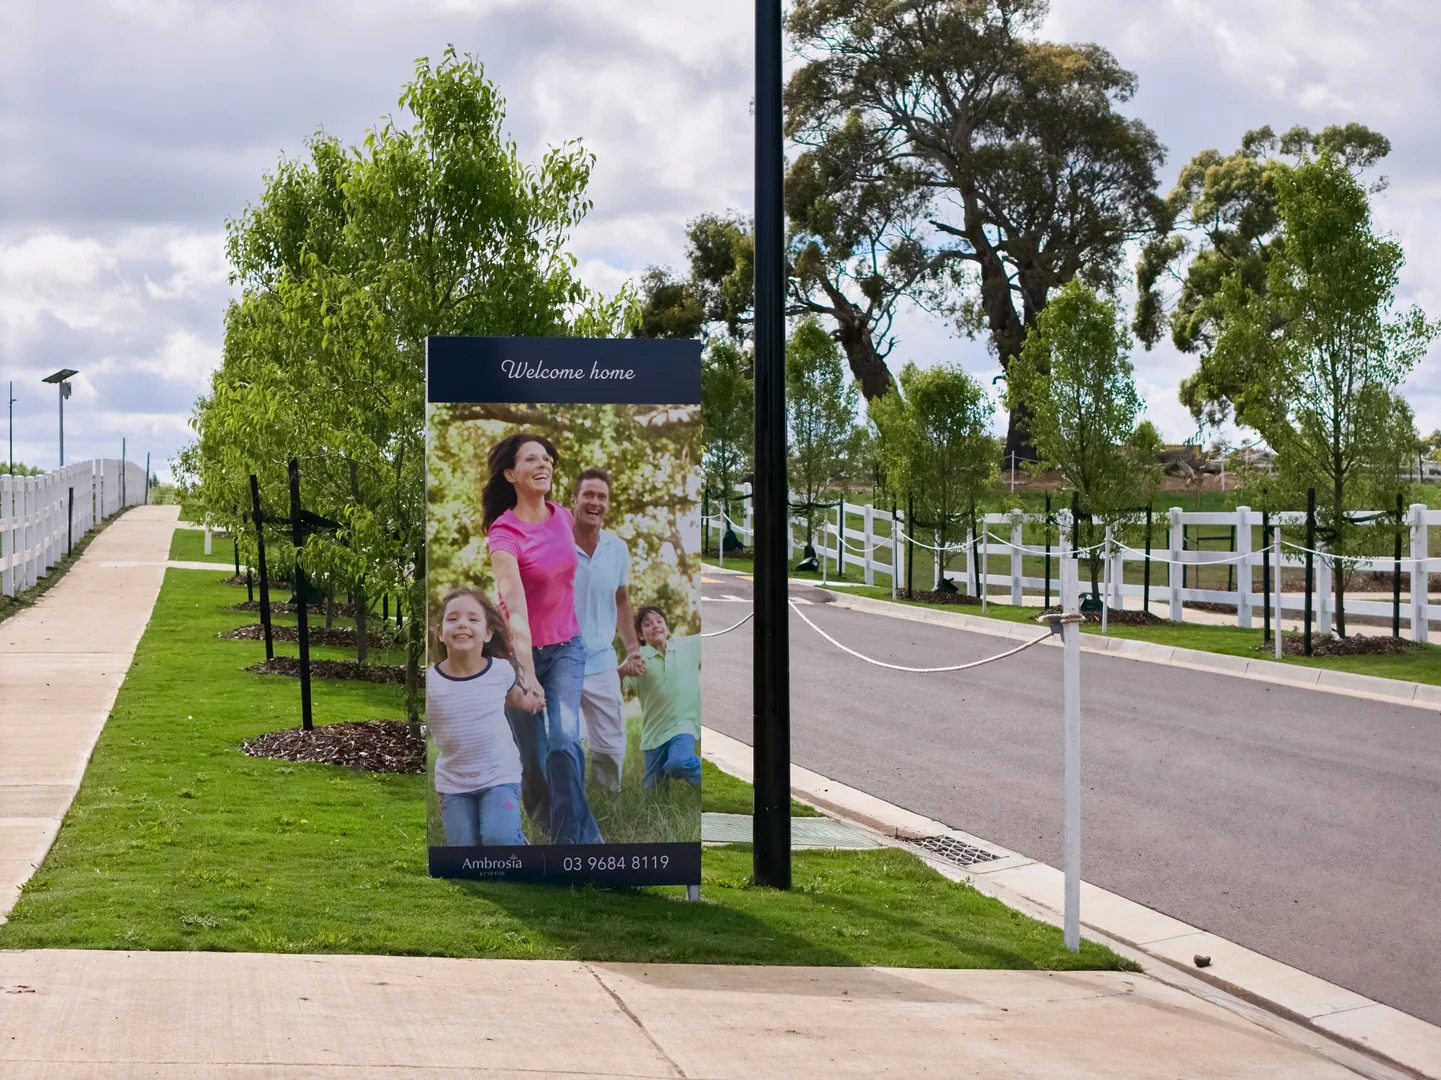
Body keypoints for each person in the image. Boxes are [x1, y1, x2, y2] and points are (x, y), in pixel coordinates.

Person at [483, 433, 604, 845]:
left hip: (567, 647)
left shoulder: (563, 518)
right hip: (517, 656)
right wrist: (527, 676)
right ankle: (549, 826)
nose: (544, 464)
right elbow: (514, 609)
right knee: (533, 761)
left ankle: (577, 847)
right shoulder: (503, 534)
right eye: (531, 459)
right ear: (511, 474)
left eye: (547, 458)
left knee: (564, 740)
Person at [426, 588, 538, 847]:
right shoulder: (431, 682)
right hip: (453, 782)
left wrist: (533, 703)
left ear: (488, 633)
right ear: (441, 633)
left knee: (498, 840)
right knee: (463, 852)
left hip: (499, 774)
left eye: (473, 619)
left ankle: (518, 843)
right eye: (452, 619)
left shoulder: (500, 671)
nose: (462, 624)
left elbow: (516, 699)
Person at [571, 467, 645, 792]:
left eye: (601, 496)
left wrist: (632, 649)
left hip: (601, 660)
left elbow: (622, 600)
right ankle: (565, 805)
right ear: (574, 500)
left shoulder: (617, 548)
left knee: (611, 746)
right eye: (588, 494)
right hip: (560, 661)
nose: (595, 502)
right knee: (563, 742)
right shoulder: (555, 543)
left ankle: (606, 801)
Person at [624, 606, 702, 789]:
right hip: (655, 733)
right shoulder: (638, 658)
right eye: (648, 624)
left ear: (666, 627)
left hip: (684, 724)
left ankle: (705, 779)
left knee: (680, 762)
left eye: (659, 621)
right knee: (653, 795)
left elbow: (715, 638)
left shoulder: (687, 646)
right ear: (641, 635)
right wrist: (624, 671)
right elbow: (613, 680)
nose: (655, 626)